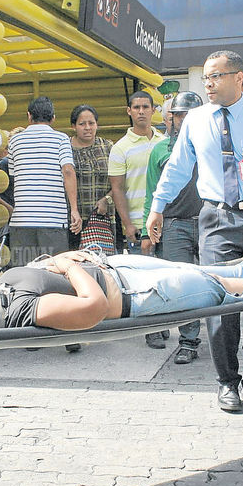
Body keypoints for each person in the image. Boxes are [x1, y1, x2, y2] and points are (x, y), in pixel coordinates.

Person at [146, 50, 243, 413]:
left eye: (216, 76)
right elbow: (178, 167)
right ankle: (227, 383)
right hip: (214, 220)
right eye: (205, 78)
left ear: (239, 78)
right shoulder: (195, 120)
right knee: (220, 303)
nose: (208, 84)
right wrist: (157, 206)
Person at [0, 239, 243, 332]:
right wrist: (69, 265)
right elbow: (94, 307)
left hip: (118, 267)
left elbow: (48, 270)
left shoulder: (2, 282)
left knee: (199, 272)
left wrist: (61, 259)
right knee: (215, 289)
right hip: (136, 295)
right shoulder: (18, 311)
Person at [142, 91, 204, 364]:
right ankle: (189, 341)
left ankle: (222, 336)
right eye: (180, 115)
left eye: (190, 115)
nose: (184, 120)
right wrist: (148, 232)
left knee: (217, 281)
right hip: (174, 225)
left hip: (210, 223)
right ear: (172, 119)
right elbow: (151, 193)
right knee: (182, 286)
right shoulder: (160, 150)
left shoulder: (213, 146)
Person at [109, 90, 166, 348]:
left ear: (154, 110)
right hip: (137, 224)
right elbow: (117, 189)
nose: (141, 111)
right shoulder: (120, 148)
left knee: (165, 275)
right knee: (143, 279)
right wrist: (127, 224)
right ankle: (149, 328)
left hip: (165, 222)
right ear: (128, 111)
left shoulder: (165, 142)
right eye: (137, 107)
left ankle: (163, 322)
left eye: (146, 106)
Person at [8, 96, 82, 267]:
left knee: (23, 273)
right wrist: (74, 209)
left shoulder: (14, 141)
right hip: (52, 221)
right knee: (54, 272)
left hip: (21, 222)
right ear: (53, 118)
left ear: (29, 116)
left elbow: (13, 175)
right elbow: (68, 171)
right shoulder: (61, 139)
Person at [68, 104, 114, 250]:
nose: (87, 127)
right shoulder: (65, 148)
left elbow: (121, 181)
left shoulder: (108, 147)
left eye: (91, 123)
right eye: (82, 124)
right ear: (73, 126)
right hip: (74, 221)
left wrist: (107, 199)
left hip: (103, 219)